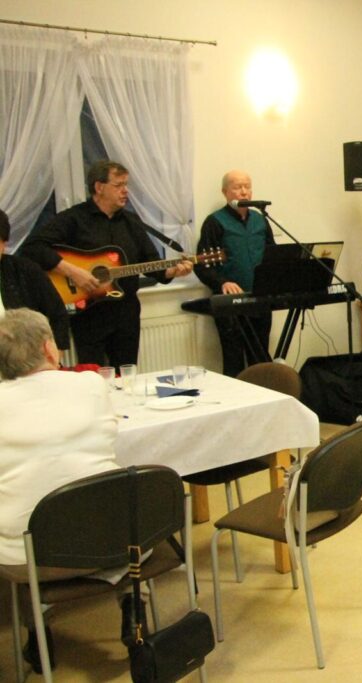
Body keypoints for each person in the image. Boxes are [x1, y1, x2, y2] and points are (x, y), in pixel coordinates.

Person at [0, 309, 120, 672]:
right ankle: (134, 607)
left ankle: (36, 628)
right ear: (48, 348)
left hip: (28, 556)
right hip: (109, 541)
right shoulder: (91, 385)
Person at [20, 160, 193, 367]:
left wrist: (173, 271)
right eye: (118, 185)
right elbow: (33, 248)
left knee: (127, 375)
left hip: (126, 313)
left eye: (126, 184)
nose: (125, 191)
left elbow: (152, 264)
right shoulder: (74, 219)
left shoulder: (132, 222)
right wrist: (73, 272)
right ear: (99, 187)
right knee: (93, 373)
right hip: (89, 314)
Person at [195, 170, 276, 377]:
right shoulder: (215, 222)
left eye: (247, 186)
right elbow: (201, 265)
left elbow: (273, 255)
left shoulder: (260, 220)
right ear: (225, 192)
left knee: (261, 359)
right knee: (234, 361)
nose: (244, 192)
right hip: (230, 304)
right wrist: (222, 282)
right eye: (237, 187)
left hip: (261, 299)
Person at [0, 209, 70, 351]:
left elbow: (58, 314)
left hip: (26, 357)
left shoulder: (25, 269)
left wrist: (54, 355)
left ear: (4, 244)